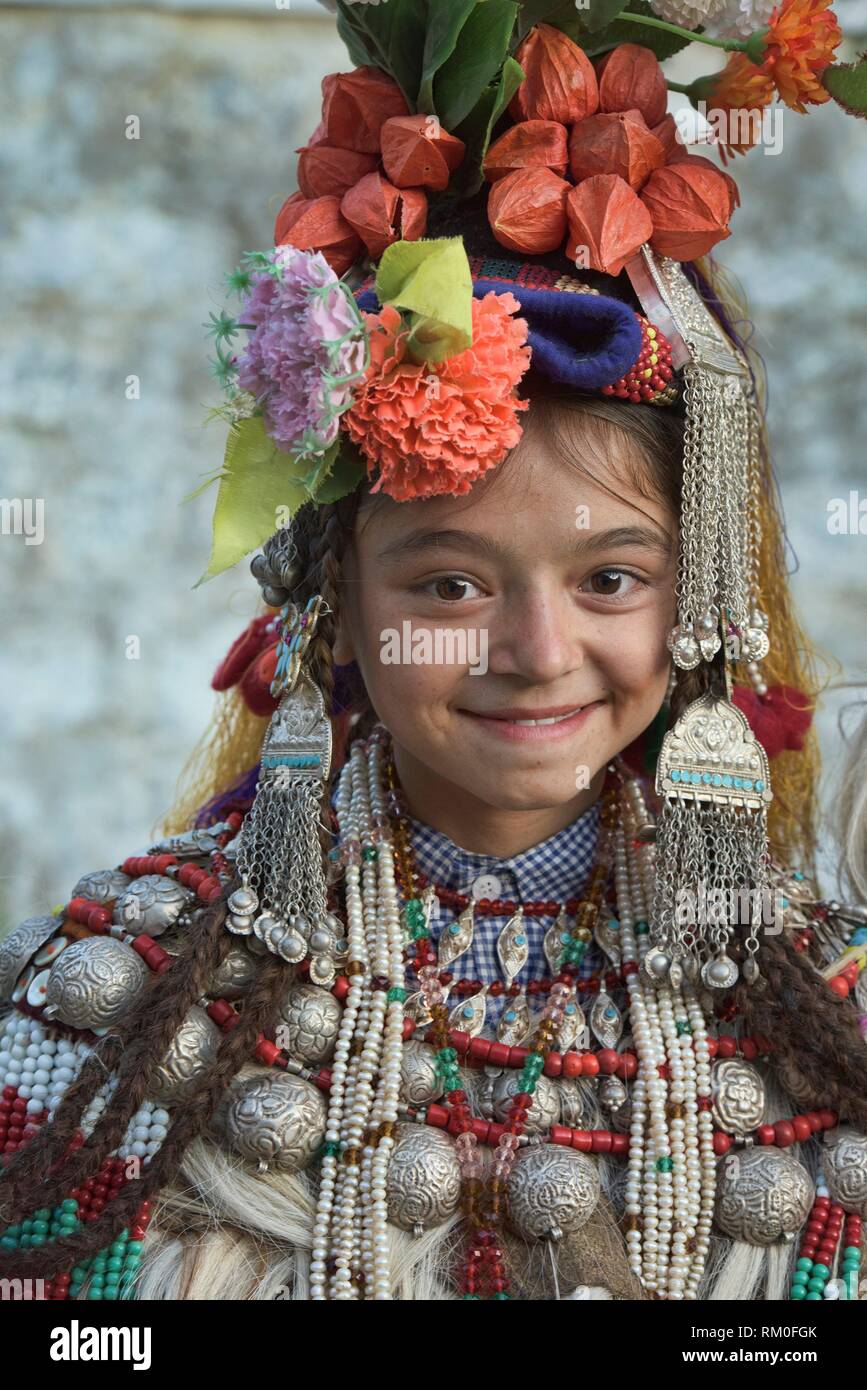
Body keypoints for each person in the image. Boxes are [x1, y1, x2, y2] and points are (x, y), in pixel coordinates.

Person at [2, 0, 865, 1302]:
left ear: (702, 590)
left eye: (611, 577)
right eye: (451, 581)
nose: (536, 648)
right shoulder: (115, 1004)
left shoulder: (821, 1014)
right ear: (333, 599)